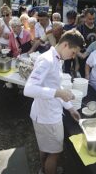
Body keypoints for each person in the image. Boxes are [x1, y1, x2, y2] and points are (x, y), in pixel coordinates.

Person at [23, 29, 84, 174]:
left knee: (45, 147)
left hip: (45, 113)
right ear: (65, 45)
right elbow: (29, 89)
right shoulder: (48, 60)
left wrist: (70, 108)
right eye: (73, 52)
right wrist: (58, 92)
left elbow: (55, 86)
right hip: (48, 116)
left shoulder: (55, 58)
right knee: (55, 153)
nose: (73, 56)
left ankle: (43, 170)